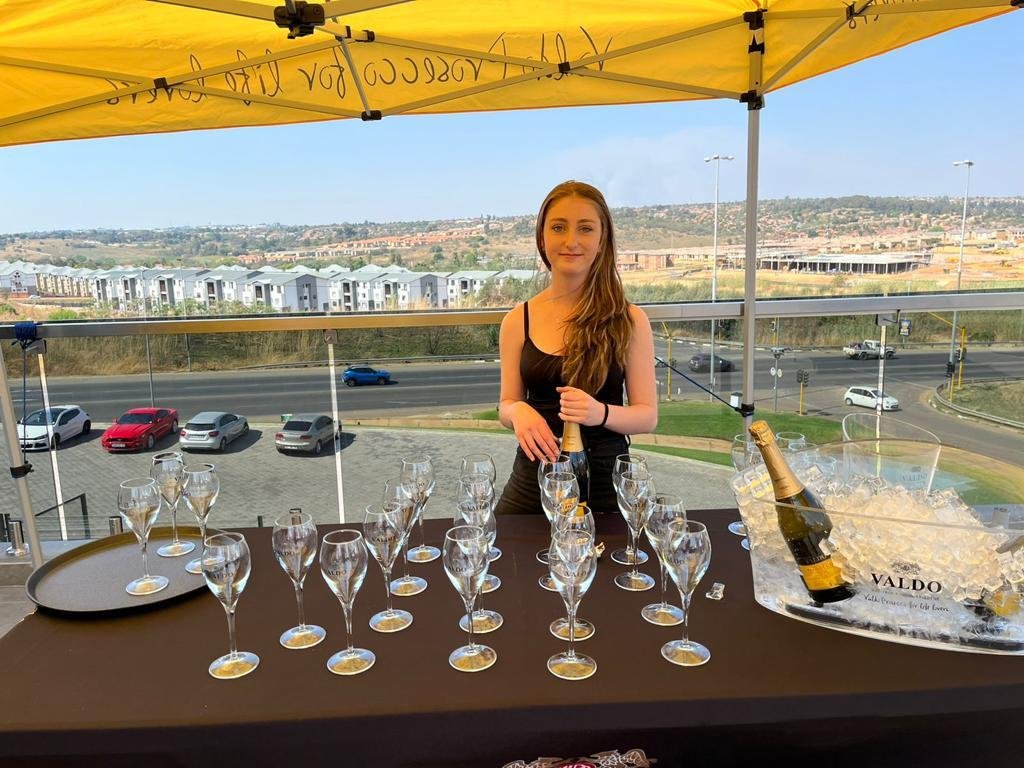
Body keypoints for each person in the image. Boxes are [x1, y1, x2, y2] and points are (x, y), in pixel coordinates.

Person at [494, 180, 657, 515]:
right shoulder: (516, 321)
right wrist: (517, 411)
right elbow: (505, 405)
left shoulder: (629, 320)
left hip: (606, 488)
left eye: (585, 228)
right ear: (542, 238)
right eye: (558, 227)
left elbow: (647, 416)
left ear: (602, 240)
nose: (571, 241)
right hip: (532, 484)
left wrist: (600, 412)